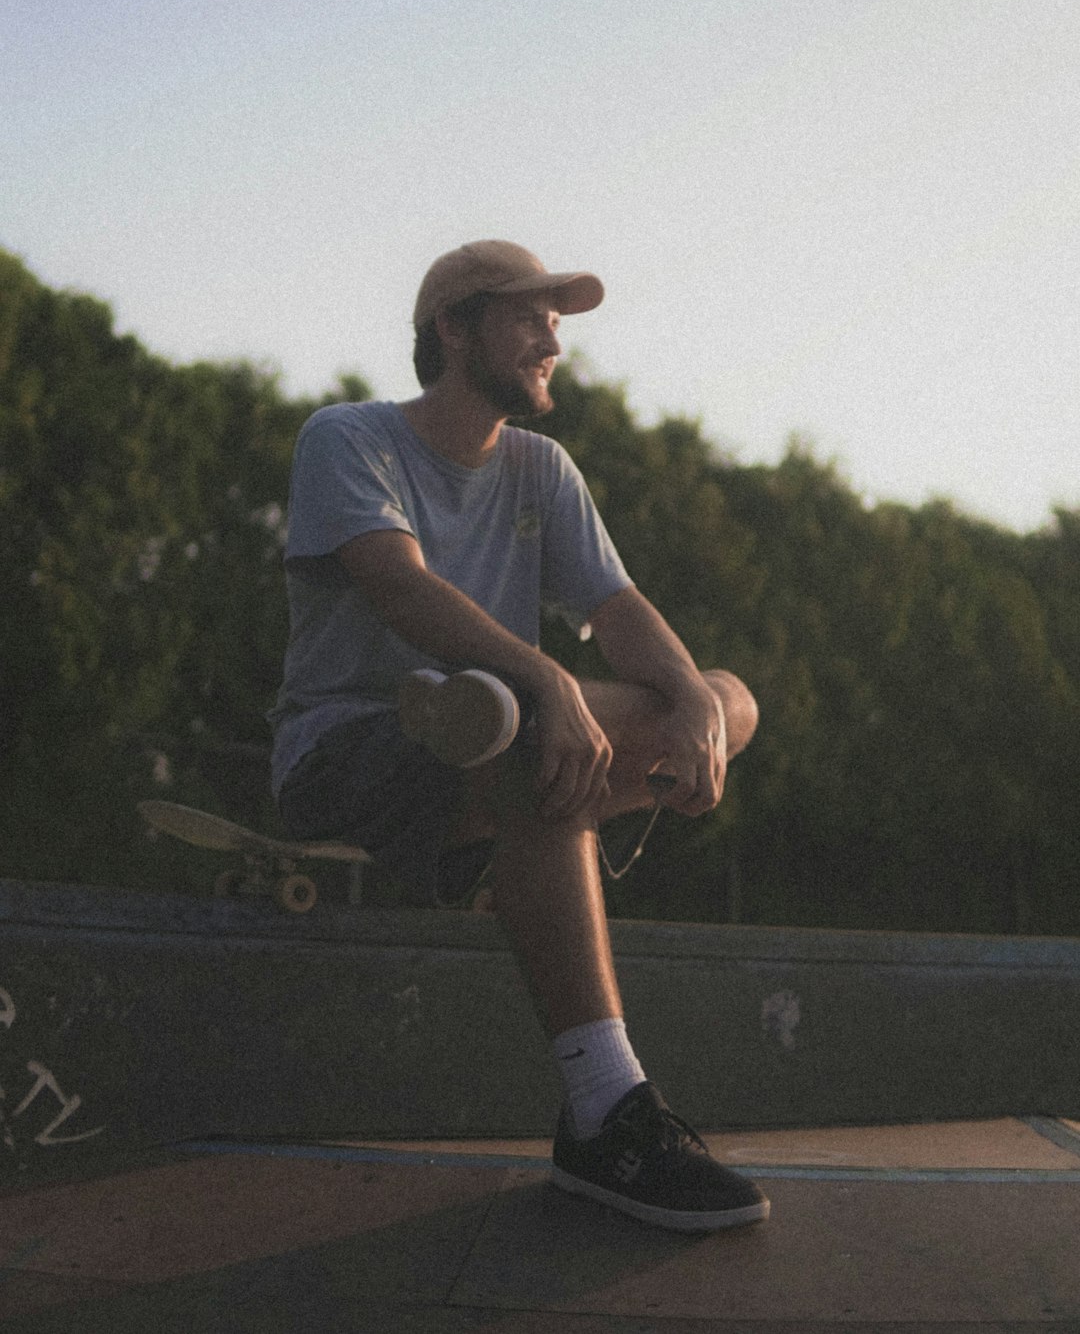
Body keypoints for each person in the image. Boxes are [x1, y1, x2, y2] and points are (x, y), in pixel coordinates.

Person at [268, 239, 769, 1233]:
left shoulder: (542, 469)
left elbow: (617, 606)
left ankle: (497, 728)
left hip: (508, 738)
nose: (553, 341)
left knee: (728, 695)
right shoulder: (348, 437)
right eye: (530, 318)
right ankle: (605, 1114)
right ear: (453, 330)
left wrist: (692, 704)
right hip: (348, 751)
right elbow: (398, 584)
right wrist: (543, 677)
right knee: (535, 740)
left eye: (558, 322)